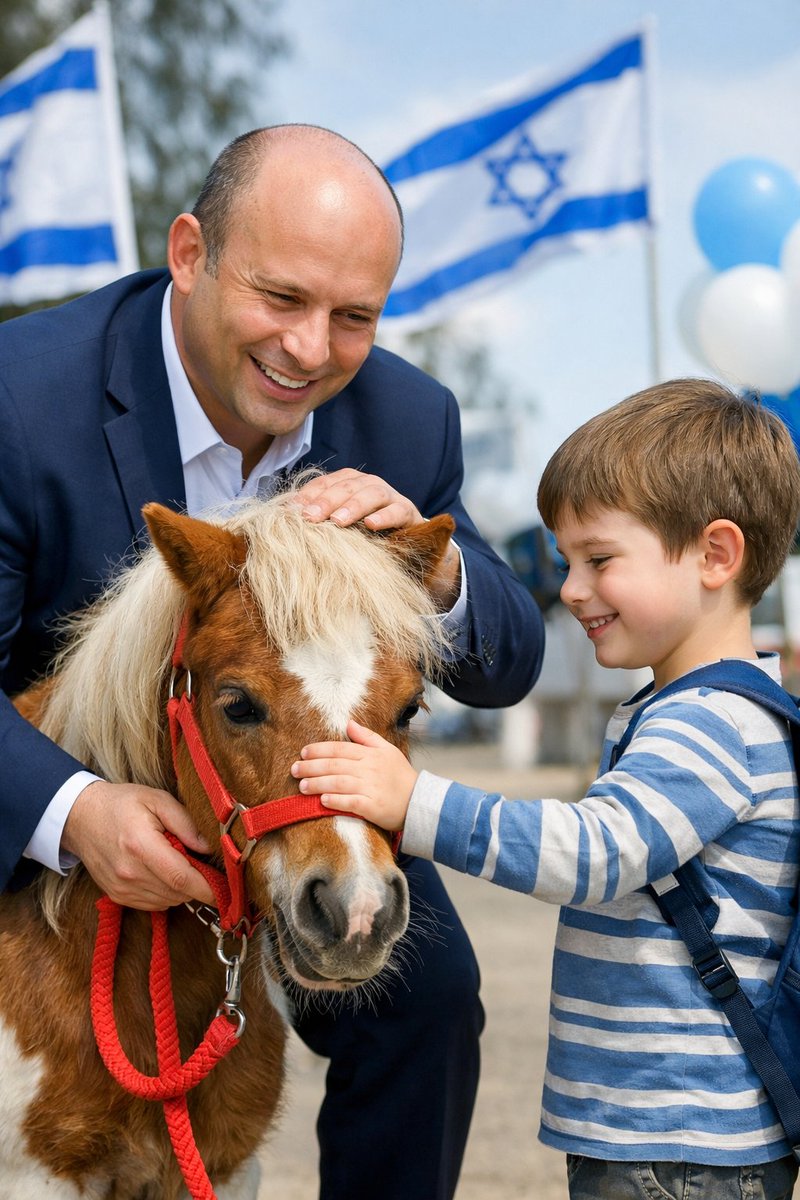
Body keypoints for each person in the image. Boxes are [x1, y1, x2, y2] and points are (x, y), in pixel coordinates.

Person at [0, 125, 545, 1199]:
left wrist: (426, 577)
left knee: (431, 991)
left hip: (295, 792)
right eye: (281, 298)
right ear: (191, 253)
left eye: (354, 317)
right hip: (50, 791)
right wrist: (73, 813)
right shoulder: (19, 399)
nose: (310, 349)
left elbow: (507, 660)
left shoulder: (404, 415)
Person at [293, 379, 800, 1200]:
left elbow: (591, 853)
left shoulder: (712, 723)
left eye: (600, 560)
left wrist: (413, 804)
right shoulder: (694, 709)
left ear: (716, 555)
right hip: (662, 1140)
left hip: (682, 1148)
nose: (569, 589)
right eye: (567, 563)